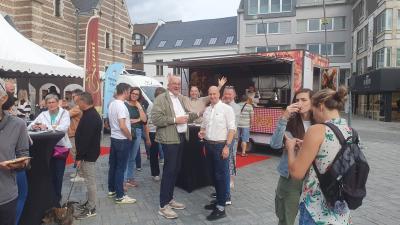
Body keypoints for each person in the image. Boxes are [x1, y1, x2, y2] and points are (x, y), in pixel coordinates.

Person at [285, 87, 352, 225]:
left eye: (313, 109)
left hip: (316, 209)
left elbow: (296, 173)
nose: (313, 114)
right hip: (341, 208)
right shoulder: (350, 131)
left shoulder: (316, 130)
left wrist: (290, 148)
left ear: (321, 106)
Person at [151, 75, 198, 219]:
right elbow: (156, 119)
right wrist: (174, 120)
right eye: (174, 84)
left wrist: (197, 114)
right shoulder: (161, 99)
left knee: (176, 170)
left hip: (181, 138)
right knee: (169, 171)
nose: (177, 86)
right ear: (168, 84)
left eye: (179, 84)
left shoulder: (179, 98)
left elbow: (184, 117)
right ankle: (163, 205)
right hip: (169, 139)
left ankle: (169, 199)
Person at [270, 89, 314, 225]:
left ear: (313, 102)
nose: (299, 103)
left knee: (311, 217)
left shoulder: (319, 123)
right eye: (297, 100)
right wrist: (284, 117)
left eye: (304, 100)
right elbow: (275, 144)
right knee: (286, 218)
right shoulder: (289, 121)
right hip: (290, 175)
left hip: (312, 177)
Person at [199, 86, 236, 221]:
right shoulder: (207, 110)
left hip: (221, 146)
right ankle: (218, 201)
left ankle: (221, 208)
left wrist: (227, 146)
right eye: (210, 94)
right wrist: (201, 132)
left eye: (214, 93)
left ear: (218, 94)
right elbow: (203, 127)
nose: (212, 96)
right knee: (213, 176)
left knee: (221, 176)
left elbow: (232, 129)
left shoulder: (227, 109)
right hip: (208, 146)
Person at [28, 94, 71, 205]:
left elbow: (63, 128)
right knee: (49, 174)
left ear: (57, 103)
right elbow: (30, 125)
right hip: (45, 149)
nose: (51, 104)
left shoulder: (64, 113)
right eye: (49, 102)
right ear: (46, 104)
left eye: (53, 102)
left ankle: (57, 198)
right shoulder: (43, 114)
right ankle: (51, 198)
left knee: (58, 174)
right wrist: (35, 126)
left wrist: (46, 127)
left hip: (60, 147)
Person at [0, 79, 30, 225]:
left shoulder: (18, 125)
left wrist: (17, 164)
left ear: (3, 98)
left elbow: (24, 157)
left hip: (5, 196)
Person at [74, 92, 103, 220]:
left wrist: (79, 157)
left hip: (88, 155)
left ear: (83, 102)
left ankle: (92, 208)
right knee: (87, 180)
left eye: (78, 101)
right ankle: (89, 202)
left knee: (90, 182)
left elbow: (86, 139)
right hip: (87, 153)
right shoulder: (88, 114)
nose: (76, 104)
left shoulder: (91, 116)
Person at [107, 83, 136, 204]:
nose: (130, 94)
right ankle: (120, 196)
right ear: (124, 91)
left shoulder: (112, 103)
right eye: (129, 91)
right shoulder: (121, 106)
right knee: (120, 168)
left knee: (113, 166)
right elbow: (123, 126)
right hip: (122, 140)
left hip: (114, 138)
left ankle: (112, 190)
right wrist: (130, 137)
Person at [124, 87, 148, 189]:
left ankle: (130, 178)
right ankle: (124, 180)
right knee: (125, 156)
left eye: (136, 94)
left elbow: (144, 120)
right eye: (133, 93)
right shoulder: (124, 104)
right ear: (130, 94)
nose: (134, 95)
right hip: (127, 132)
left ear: (139, 96)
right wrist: (132, 120)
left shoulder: (140, 105)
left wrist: (139, 107)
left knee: (132, 157)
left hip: (137, 132)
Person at [222, 86, 240, 192]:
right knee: (225, 159)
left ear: (234, 95)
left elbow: (232, 127)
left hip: (231, 138)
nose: (227, 96)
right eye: (226, 94)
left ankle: (231, 181)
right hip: (222, 138)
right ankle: (225, 181)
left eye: (230, 94)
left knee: (231, 159)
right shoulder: (223, 105)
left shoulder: (235, 107)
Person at [146, 87, 166, 181]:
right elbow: (147, 122)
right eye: (159, 96)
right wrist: (147, 137)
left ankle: (166, 172)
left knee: (166, 153)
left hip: (164, 132)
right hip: (153, 132)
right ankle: (155, 173)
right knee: (154, 154)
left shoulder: (166, 105)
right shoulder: (151, 106)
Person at [68, 89, 84, 182]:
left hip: (75, 133)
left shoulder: (78, 107)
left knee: (75, 154)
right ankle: (79, 172)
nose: (73, 98)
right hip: (75, 133)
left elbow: (66, 114)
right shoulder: (77, 106)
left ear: (79, 96)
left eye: (74, 96)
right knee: (75, 154)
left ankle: (81, 174)